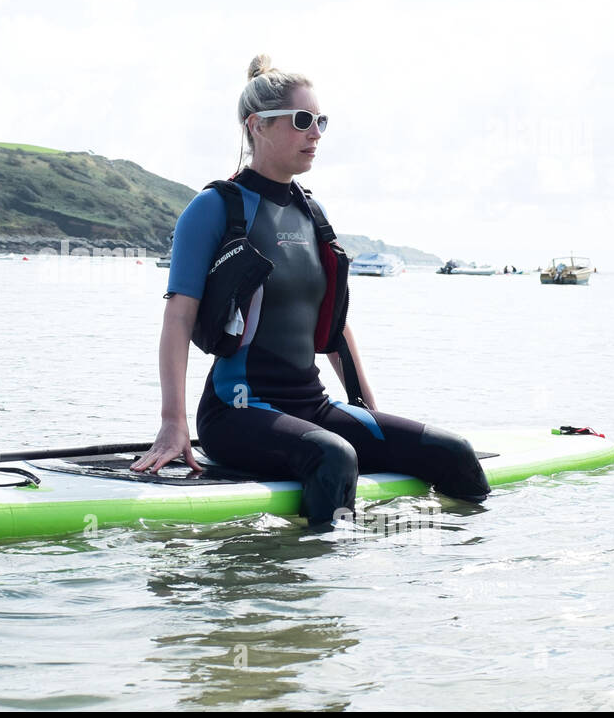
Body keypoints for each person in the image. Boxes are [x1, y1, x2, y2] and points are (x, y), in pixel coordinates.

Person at [130, 55, 490, 529]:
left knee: (452, 453)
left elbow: (334, 325)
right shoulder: (215, 208)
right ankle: (317, 592)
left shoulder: (312, 213)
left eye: (321, 121)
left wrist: (368, 413)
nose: (316, 133)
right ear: (257, 126)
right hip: (238, 411)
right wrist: (174, 423)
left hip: (312, 405)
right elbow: (178, 317)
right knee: (334, 457)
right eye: (302, 121)